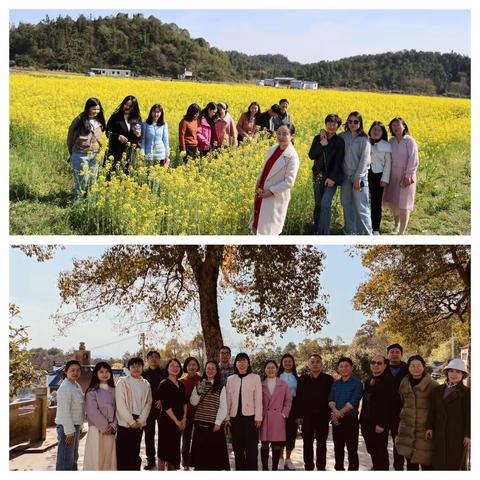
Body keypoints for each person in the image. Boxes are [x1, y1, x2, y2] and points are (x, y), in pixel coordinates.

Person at [250, 124, 300, 235]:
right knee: (256, 225)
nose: (280, 136)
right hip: (261, 192)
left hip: (274, 196)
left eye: (285, 134)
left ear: (292, 136)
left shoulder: (292, 157)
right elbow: (266, 170)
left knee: (268, 230)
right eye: (278, 133)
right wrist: (258, 184)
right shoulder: (273, 148)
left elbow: (289, 182)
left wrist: (271, 191)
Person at [426, 359, 470, 470]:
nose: (454, 374)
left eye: (458, 372)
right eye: (451, 371)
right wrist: (429, 427)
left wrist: (468, 434)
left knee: (456, 463)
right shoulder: (438, 390)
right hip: (439, 432)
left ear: (463, 375)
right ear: (447, 372)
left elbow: (470, 415)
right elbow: (432, 410)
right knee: (439, 462)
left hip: (457, 434)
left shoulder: (467, 392)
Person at [395, 355, 437, 470]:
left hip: (425, 430)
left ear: (423, 367)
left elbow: (437, 409)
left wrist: (432, 426)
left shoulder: (433, 385)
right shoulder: (404, 383)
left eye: (418, 365)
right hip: (407, 428)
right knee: (410, 464)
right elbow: (401, 402)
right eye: (412, 366)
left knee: (427, 464)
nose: (415, 368)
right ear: (408, 368)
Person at [295, 354, 333, 471]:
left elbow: (332, 397)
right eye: (312, 362)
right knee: (307, 443)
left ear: (321, 364)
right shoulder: (302, 379)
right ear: (308, 364)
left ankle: (321, 467)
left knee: (322, 443)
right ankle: (309, 467)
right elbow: (298, 399)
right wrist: (299, 416)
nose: (315, 364)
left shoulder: (328, 379)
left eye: (317, 361)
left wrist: (331, 413)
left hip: (323, 416)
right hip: (307, 417)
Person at [308, 113, 345, 234]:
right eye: (329, 123)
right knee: (318, 204)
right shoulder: (317, 138)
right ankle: (317, 229)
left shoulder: (339, 141)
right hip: (318, 175)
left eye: (334, 124)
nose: (331, 126)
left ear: (338, 126)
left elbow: (338, 161)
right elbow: (311, 155)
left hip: (331, 178)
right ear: (325, 124)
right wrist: (322, 143)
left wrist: (332, 178)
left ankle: (325, 232)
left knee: (325, 204)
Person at [225, 352, 263, 470]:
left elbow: (258, 398)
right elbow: (228, 399)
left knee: (251, 449)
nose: (242, 363)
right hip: (235, 418)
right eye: (239, 361)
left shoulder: (255, 377)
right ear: (235, 364)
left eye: (244, 360)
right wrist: (227, 417)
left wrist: (258, 417)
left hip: (251, 418)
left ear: (248, 363)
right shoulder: (231, 379)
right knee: (238, 449)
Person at [382, 116, 419, 234]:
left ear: (404, 126)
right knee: (395, 202)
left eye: (398, 125)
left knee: (404, 204)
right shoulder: (391, 141)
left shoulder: (410, 141)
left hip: (406, 176)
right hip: (393, 175)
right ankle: (396, 225)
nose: (396, 127)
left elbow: (414, 159)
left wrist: (408, 175)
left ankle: (401, 232)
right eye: (393, 125)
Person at [190, 361, 229, 470]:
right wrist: (198, 392)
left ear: (217, 371)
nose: (210, 370)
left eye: (213, 368)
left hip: (213, 426)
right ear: (205, 369)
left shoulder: (221, 386)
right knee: (200, 459)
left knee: (213, 459)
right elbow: (193, 402)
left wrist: (218, 423)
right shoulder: (200, 383)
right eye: (208, 368)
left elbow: (223, 407)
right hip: (199, 425)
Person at [115, 357, 152, 470]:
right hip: (125, 422)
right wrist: (131, 421)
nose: (136, 369)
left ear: (142, 367)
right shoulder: (123, 382)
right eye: (133, 366)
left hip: (138, 422)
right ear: (129, 368)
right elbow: (120, 404)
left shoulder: (146, 384)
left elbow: (148, 403)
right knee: (122, 454)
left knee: (134, 453)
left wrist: (141, 421)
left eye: (139, 366)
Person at [340, 111, 372, 235]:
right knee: (346, 204)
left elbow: (365, 160)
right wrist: (322, 133)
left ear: (360, 123)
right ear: (347, 122)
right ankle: (350, 232)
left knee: (361, 207)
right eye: (350, 121)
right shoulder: (343, 136)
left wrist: (358, 178)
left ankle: (366, 235)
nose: (353, 124)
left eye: (356, 122)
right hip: (345, 177)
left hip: (359, 177)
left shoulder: (364, 139)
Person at [360, 355, 395, 470]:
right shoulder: (369, 379)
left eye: (379, 363)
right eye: (373, 362)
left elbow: (390, 406)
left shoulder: (389, 381)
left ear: (385, 366)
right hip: (366, 422)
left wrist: (382, 424)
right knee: (371, 449)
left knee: (380, 451)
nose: (376, 365)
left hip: (379, 424)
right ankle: (376, 467)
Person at [328, 357, 363, 471]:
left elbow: (353, 402)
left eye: (346, 366)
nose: (344, 368)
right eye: (341, 366)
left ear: (351, 368)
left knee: (352, 449)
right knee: (338, 448)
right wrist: (335, 411)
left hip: (350, 421)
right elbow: (331, 400)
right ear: (338, 368)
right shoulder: (335, 383)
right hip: (336, 420)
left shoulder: (357, 383)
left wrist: (338, 413)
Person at [67, 97, 105, 198]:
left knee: (93, 180)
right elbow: (71, 135)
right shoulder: (80, 119)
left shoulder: (99, 120)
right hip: (80, 153)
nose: (96, 111)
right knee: (82, 181)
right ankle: (78, 203)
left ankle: (90, 203)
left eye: (98, 109)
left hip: (95, 154)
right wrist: (71, 151)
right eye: (93, 109)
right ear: (88, 108)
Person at [83, 362, 117, 471]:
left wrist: (113, 425)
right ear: (96, 374)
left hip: (110, 431)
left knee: (109, 461)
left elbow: (118, 410)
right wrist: (105, 426)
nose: (104, 374)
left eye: (107, 371)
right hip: (96, 431)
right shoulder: (92, 391)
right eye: (101, 372)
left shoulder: (115, 390)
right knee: (96, 460)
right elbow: (92, 411)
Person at [260, 360, 292, 471]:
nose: (270, 370)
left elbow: (288, 400)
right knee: (264, 445)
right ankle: (265, 468)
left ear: (277, 369)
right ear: (265, 369)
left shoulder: (283, 384)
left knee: (276, 446)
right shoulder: (261, 384)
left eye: (273, 367)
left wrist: (284, 413)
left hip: (278, 418)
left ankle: (274, 469)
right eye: (268, 367)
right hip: (265, 418)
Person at [157, 358, 188, 470]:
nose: (175, 368)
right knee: (163, 451)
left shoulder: (181, 385)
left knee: (174, 452)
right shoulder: (164, 383)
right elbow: (166, 406)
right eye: (172, 365)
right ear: (167, 368)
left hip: (179, 422)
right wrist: (176, 421)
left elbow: (185, 403)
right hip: (167, 422)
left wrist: (184, 419)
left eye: (177, 366)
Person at [55, 360, 84, 470]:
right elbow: (64, 411)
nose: (75, 373)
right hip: (66, 428)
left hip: (74, 427)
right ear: (66, 371)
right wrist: (69, 431)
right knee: (65, 461)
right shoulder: (65, 387)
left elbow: (80, 408)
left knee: (73, 458)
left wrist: (80, 426)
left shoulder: (76, 386)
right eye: (72, 370)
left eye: (77, 370)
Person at [105, 95, 142, 177]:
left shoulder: (137, 118)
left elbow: (139, 137)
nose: (127, 107)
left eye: (130, 106)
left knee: (128, 177)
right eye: (126, 105)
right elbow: (107, 132)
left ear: (134, 108)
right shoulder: (115, 117)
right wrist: (118, 136)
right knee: (113, 175)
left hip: (131, 153)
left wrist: (138, 135)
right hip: (116, 152)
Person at [142, 351, 165, 470]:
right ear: (147, 359)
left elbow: (168, 389)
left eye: (156, 357)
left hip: (162, 408)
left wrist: (162, 400)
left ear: (159, 359)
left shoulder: (164, 372)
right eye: (151, 357)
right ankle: (150, 460)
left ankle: (164, 458)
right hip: (148, 409)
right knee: (149, 436)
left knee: (164, 435)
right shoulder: (143, 373)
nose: (154, 359)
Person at [387, 343, 409, 470]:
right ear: (388, 354)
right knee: (378, 443)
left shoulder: (407, 369)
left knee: (399, 442)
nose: (394, 354)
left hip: (402, 411)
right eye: (392, 352)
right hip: (384, 411)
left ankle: (399, 468)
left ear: (401, 354)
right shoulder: (382, 367)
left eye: (397, 352)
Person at [367, 121, 391, 235]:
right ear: (370, 130)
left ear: (382, 133)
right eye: (374, 129)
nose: (375, 132)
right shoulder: (365, 142)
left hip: (378, 176)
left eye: (378, 130)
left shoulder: (386, 146)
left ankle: (375, 228)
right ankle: (365, 227)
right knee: (363, 202)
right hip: (365, 175)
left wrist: (385, 179)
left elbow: (388, 164)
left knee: (376, 203)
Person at [179, 357, 201, 470]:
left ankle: (197, 462)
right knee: (186, 439)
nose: (192, 367)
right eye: (189, 365)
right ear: (186, 367)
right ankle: (186, 463)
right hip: (186, 414)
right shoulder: (181, 381)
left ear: (197, 366)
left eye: (194, 365)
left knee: (198, 439)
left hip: (199, 414)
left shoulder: (201, 380)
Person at [278, 354, 299, 470]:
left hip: (293, 409)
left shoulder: (297, 378)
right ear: (281, 363)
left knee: (291, 434)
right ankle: (280, 459)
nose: (287, 363)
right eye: (285, 361)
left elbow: (300, 397)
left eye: (289, 361)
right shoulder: (277, 376)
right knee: (280, 434)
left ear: (293, 363)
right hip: (279, 408)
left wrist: (299, 414)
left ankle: (288, 459)